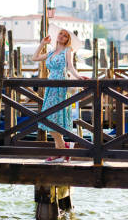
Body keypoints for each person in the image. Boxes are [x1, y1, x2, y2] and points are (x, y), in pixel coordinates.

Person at [31, 28, 88, 162]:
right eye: (61, 34)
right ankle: (63, 149)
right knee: (48, 119)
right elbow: (34, 58)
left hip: (61, 86)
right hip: (51, 87)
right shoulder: (51, 52)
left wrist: (79, 77)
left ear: (68, 40)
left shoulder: (68, 51)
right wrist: (42, 43)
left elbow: (70, 67)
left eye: (65, 36)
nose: (62, 36)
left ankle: (60, 152)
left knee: (54, 119)